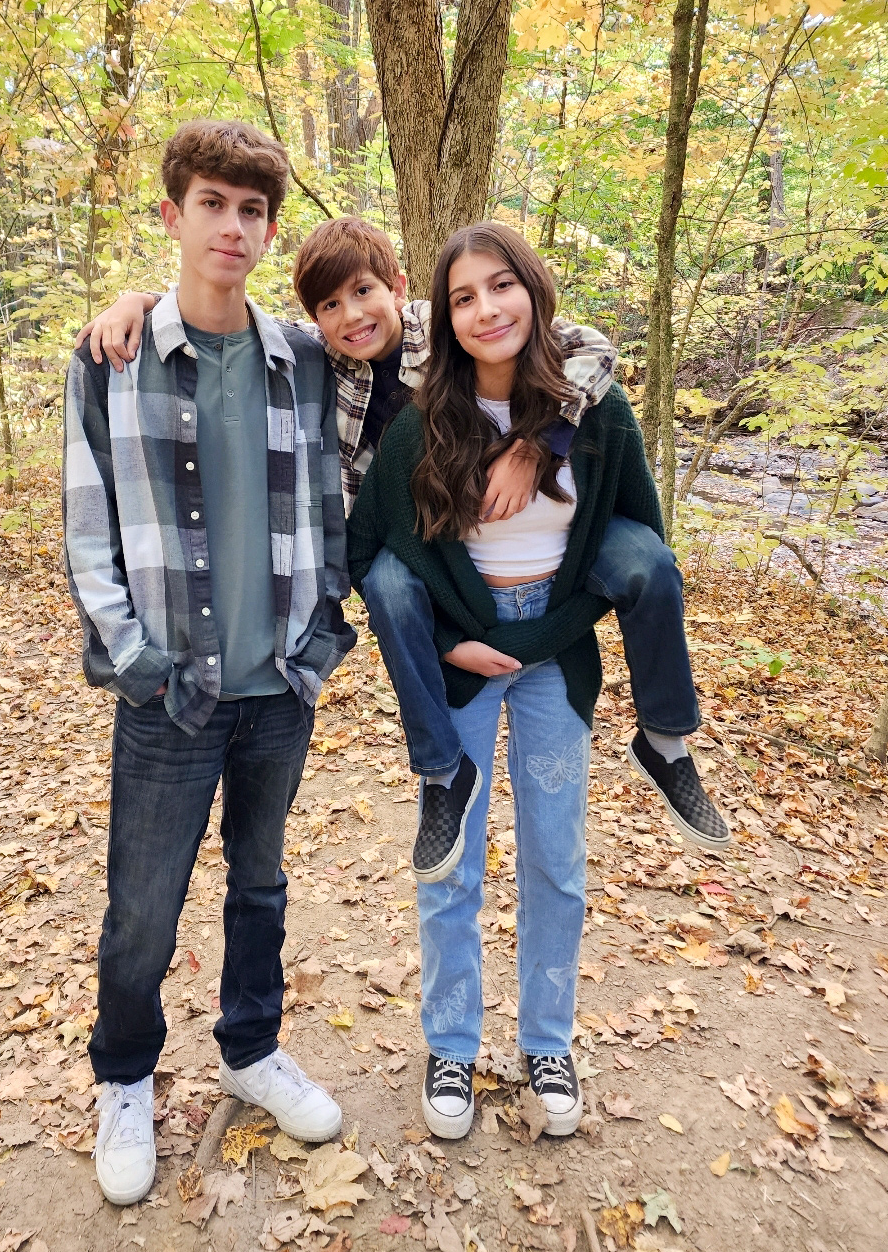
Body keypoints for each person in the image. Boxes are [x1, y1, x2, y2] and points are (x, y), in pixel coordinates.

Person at [78, 221, 730, 884]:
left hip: (515, 525)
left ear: (396, 288)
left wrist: (541, 443)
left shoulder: (449, 326)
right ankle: (442, 772)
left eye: (363, 292)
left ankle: (665, 740)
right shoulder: (321, 358)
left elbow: (586, 345)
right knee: (389, 589)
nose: (352, 315)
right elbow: (236, 326)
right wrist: (142, 301)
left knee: (645, 561)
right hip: (415, 534)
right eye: (329, 306)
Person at [348, 221, 701, 1140]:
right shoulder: (422, 421)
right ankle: (452, 1048)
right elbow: (383, 552)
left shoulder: (592, 412)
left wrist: (550, 631)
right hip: (463, 656)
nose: (485, 309)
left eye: (500, 286)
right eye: (462, 297)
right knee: (449, 861)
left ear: (533, 291)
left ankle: (547, 1040)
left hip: (557, 654)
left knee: (555, 857)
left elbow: (629, 553)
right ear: (445, 317)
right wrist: (450, 641)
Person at [62, 120, 356, 1207]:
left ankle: (248, 1046)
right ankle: (126, 1077)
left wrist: (319, 636)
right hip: (168, 690)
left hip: (277, 684)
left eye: (250, 210)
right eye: (211, 205)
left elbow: (462, 342)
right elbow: (88, 524)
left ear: (268, 227)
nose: (231, 226)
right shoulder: (113, 356)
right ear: (172, 214)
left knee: (260, 885)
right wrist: (133, 659)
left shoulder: (308, 358)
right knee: (142, 903)